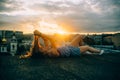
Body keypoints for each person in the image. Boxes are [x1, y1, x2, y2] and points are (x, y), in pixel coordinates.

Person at [20, 30, 104, 58]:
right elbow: (52, 41)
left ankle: (84, 51)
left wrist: (38, 38)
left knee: (79, 37)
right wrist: (41, 34)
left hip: (69, 47)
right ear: (42, 52)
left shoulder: (47, 51)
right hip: (72, 51)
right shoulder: (51, 53)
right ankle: (99, 52)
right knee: (87, 47)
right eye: (41, 48)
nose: (43, 47)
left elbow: (47, 42)